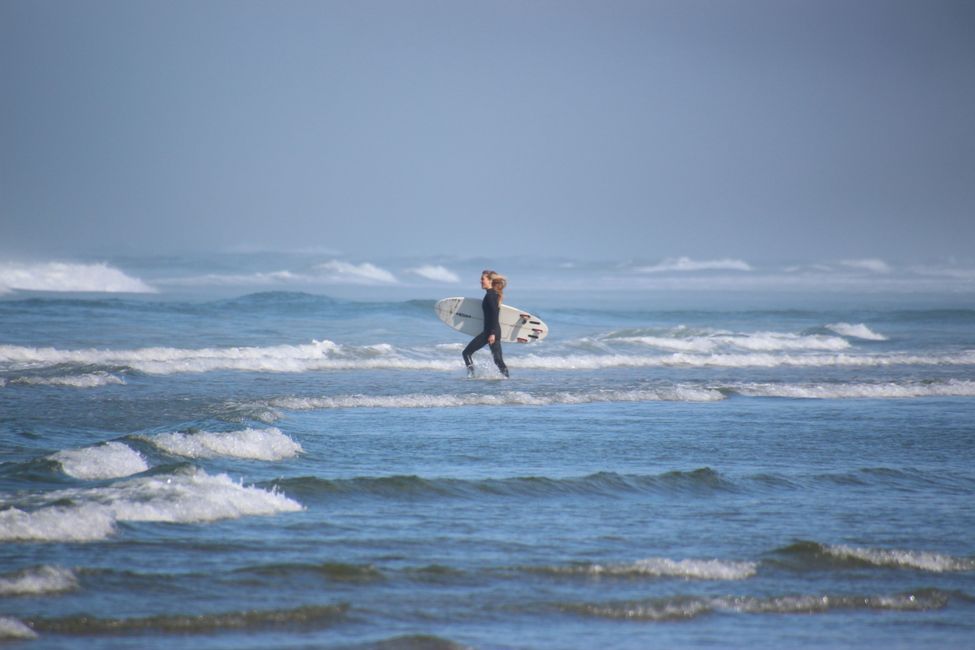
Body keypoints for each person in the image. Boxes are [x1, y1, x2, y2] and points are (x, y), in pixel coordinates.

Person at [462, 270, 509, 378]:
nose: (480, 281)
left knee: (466, 353)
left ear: (490, 281)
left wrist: (491, 333)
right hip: (495, 331)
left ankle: (471, 376)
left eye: (483, 279)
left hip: (490, 332)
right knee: (498, 360)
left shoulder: (490, 296)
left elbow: (494, 314)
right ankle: (507, 379)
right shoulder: (493, 295)